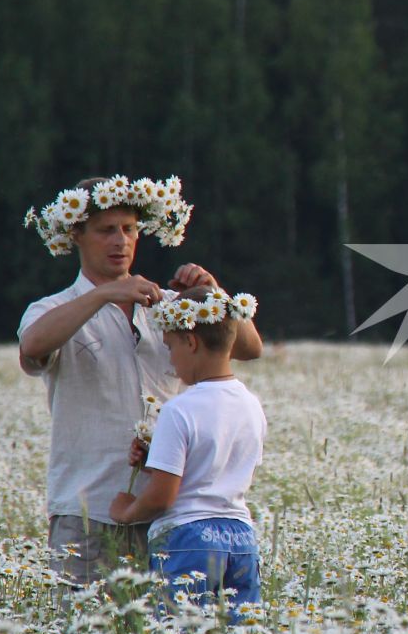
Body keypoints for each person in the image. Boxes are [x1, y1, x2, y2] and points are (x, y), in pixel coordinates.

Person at [18, 175, 262, 589]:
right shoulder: (53, 308)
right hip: (89, 511)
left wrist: (213, 293)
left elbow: (249, 347)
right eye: (106, 230)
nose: (120, 241)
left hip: (169, 515)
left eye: (129, 230)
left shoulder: (165, 304)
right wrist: (104, 295)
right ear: (77, 234)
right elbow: (32, 347)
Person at [110, 286, 266, 620]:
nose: (170, 358)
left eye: (171, 346)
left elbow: (163, 498)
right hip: (241, 537)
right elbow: (215, 468)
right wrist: (156, 463)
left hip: (188, 538)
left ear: (191, 342)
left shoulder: (178, 410)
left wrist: (126, 512)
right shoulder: (252, 406)